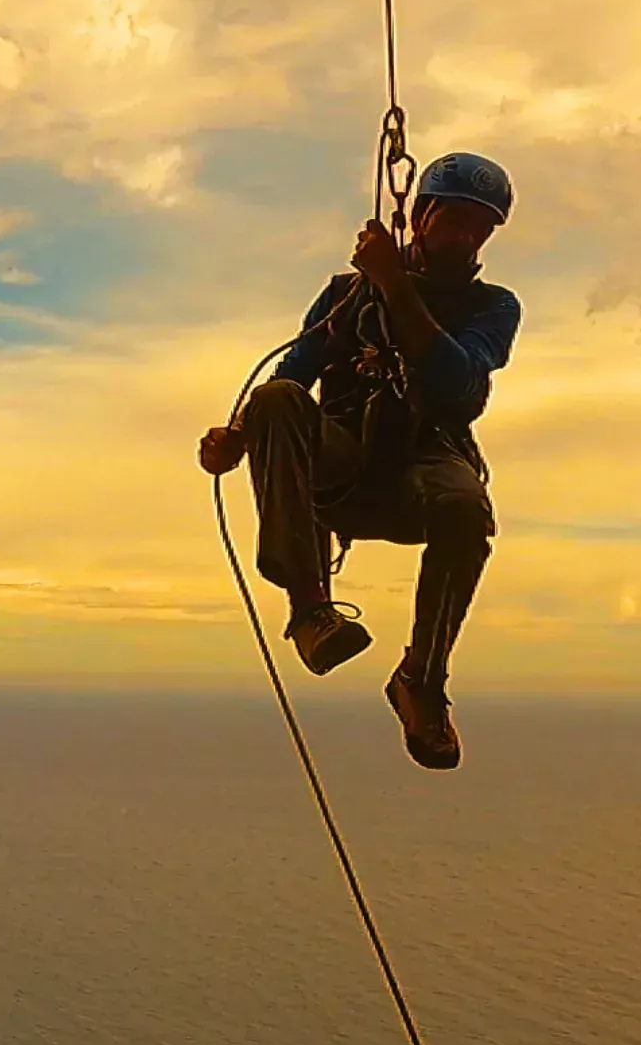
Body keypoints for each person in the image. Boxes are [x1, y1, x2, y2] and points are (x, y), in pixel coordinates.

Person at [198, 152, 520, 771]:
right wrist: (237, 437)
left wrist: (395, 285)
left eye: (479, 228)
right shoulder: (348, 295)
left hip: (424, 463)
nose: (464, 237)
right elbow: (295, 371)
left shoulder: (493, 307)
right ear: (421, 215)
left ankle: (421, 683)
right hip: (344, 456)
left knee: (464, 508)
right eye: (453, 219)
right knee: (275, 398)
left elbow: (455, 382)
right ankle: (310, 607)